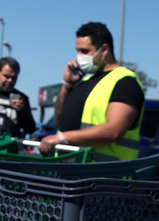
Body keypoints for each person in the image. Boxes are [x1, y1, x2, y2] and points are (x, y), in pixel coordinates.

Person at [38, 21, 144, 160]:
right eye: (77, 51)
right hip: (68, 168)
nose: (78, 57)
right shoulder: (84, 82)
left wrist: (62, 138)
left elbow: (114, 131)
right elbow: (59, 120)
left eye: (85, 51)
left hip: (102, 171)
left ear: (104, 50)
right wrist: (67, 85)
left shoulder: (125, 82)